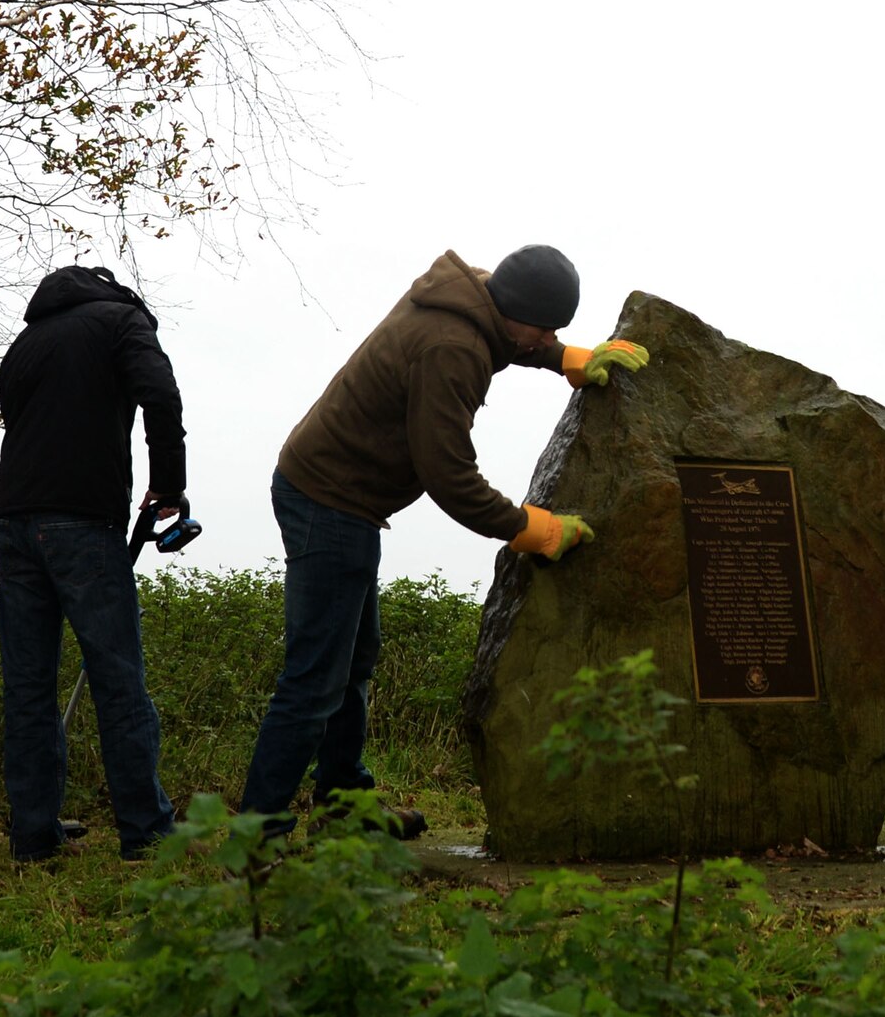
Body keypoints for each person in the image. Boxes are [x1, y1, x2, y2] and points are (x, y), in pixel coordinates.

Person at [241, 244, 647, 838]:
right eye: (546, 328)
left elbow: (517, 339)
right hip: (328, 499)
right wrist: (531, 529)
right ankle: (258, 839)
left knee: (353, 660)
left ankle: (343, 809)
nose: (547, 336)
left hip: (343, 498)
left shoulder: (477, 299)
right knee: (316, 678)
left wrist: (566, 359)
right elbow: (449, 476)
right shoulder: (451, 347)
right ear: (512, 309)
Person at [0, 264, 188, 862]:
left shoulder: (24, 344)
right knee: (118, 679)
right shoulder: (122, 322)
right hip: (83, 524)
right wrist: (170, 484)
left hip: (15, 521)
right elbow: (160, 394)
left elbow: (17, 421)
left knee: (27, 688)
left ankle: (35, 835)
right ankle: (146, 831)